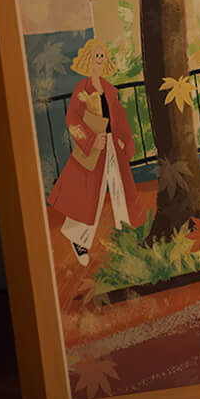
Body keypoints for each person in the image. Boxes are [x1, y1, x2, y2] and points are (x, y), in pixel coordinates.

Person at [45, 38, 140, 263]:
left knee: (119, 188)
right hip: (93, 149)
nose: (99, 60)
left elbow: (120, 118)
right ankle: (78, 238)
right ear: (89, 59)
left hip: (112, 146)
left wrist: (125, 140)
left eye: (102, 56)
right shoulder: (82, 89)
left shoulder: (109, 89)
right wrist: (89, 140)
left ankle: (126, 235)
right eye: (96, 56)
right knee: (90, 195)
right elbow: (72, 120)